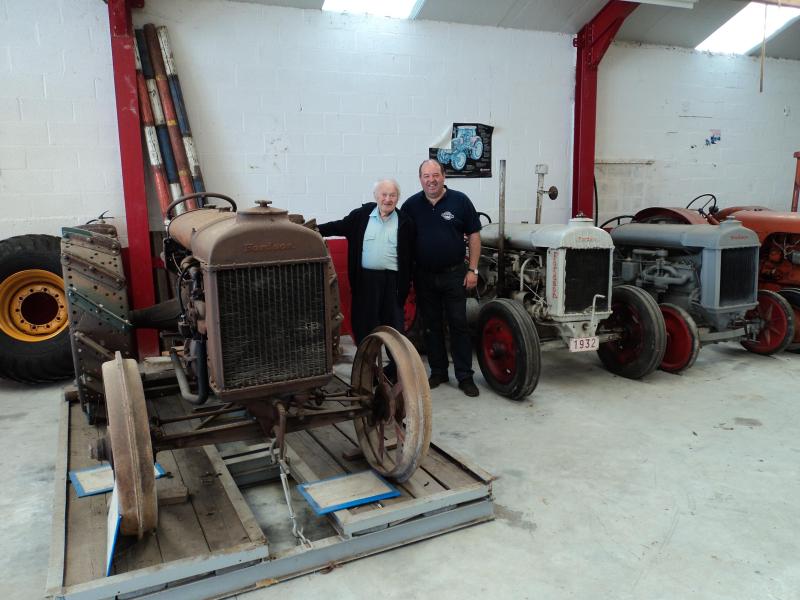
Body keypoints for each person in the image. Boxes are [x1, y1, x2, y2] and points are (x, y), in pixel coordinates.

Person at [403, 159, 482, 397]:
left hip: (455, 275)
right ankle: (438, 371)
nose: (431, 180)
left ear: (444, 176)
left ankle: (465, 376)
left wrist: (473, 270)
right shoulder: (411, 205)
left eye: (435, 175)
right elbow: (402, 241)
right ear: (420, 179)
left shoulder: (460, 201)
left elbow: (475, 235)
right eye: (426, 176)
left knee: (459, 325)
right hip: (424, 276)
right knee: (431, 326)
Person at [318, 179, 415, 345]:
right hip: (366, 281)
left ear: (398, 198)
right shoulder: (361, 216)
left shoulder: (406, 222)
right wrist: (312, 230)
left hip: (394, 283)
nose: (388, 199)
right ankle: (366, 366)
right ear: (376, 196)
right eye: (384, 195)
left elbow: (412, 255)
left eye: (393, 195)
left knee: (395, 329)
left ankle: (395, 367)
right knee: (364, 326)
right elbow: (338, 226)